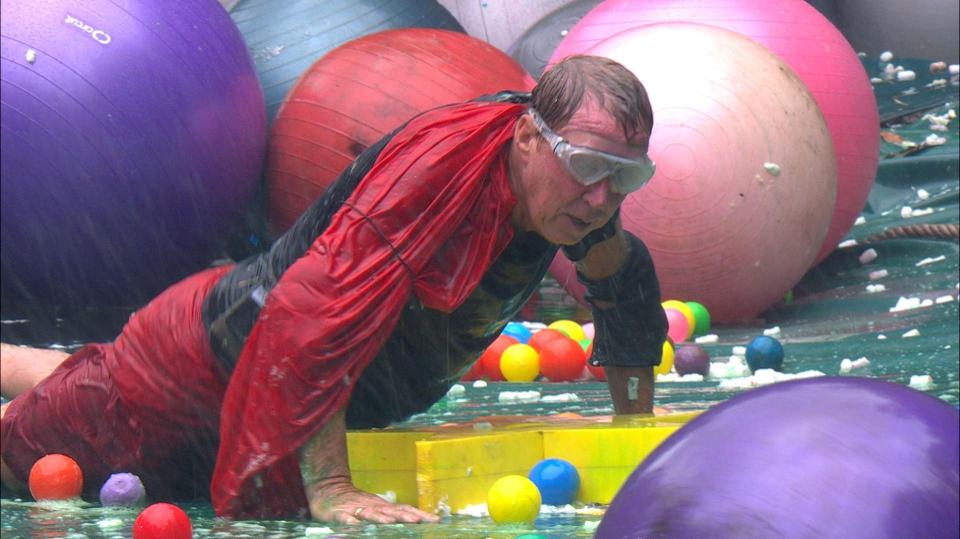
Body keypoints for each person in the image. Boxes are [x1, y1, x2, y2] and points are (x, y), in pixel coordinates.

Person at [0, 55, 667, 524]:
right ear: (526, 135)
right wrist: (330, 485)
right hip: (204, 365)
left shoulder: (568, 185)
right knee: (20, 451)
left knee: (93, 374)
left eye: (626, 177)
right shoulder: (435, 176)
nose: (602, 196)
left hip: (236, 341)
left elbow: (620, 278)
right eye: (587, 166)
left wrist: (634, 433)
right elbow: (309, 314)